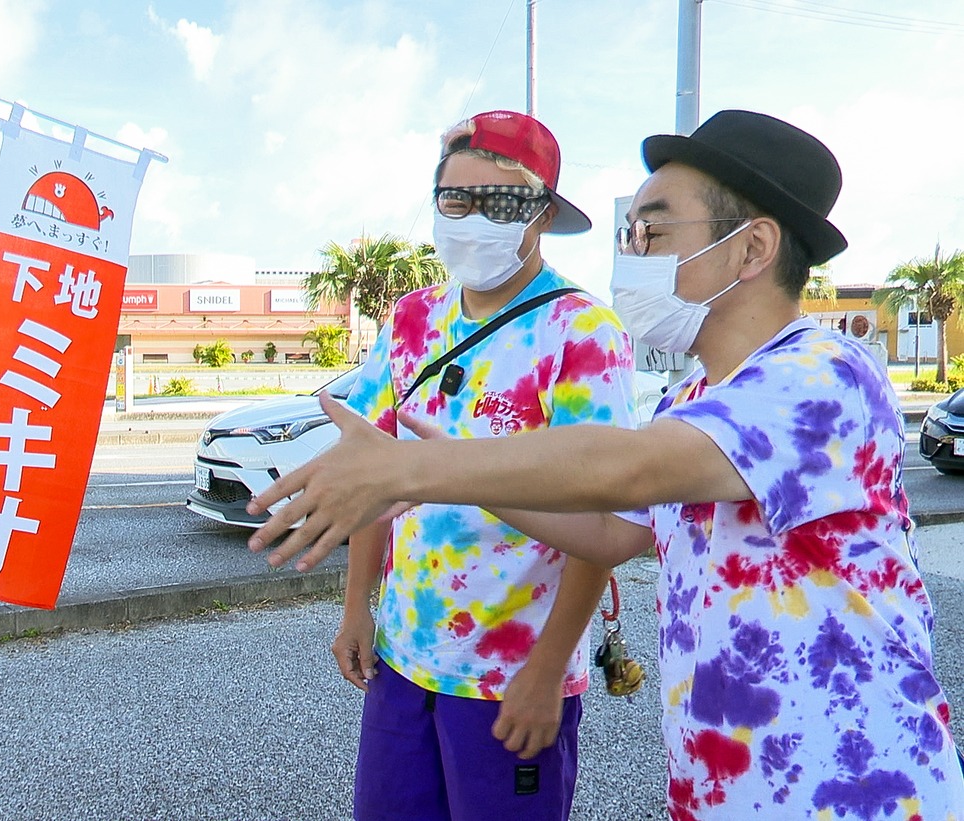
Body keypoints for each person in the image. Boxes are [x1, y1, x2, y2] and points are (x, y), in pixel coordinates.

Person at [248, 109, 964, 818]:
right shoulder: (694, 395)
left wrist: (414, 473)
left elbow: (629, 470)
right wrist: (436, 470)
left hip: (853, 789)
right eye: (630, 233)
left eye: (652, 230)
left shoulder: (823, 373)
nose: (633, 252)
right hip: (730, 785)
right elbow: (613, 529)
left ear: (751, 249)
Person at [335, 110, 635, 821]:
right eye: (456, 198)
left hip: (514, 672)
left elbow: (602, 511)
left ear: (542, 213)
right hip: (405, 656)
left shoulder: (582, 331)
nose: (474, 217)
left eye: (501, 202)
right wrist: (357, 607)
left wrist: (545, 669)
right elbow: (372, 469)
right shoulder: (411, 320)